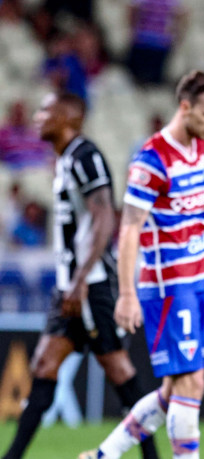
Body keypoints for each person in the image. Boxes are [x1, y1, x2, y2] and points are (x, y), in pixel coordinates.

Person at [2, 93, 158, 459]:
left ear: (69, 117)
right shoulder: (65, 159)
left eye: (46, 111)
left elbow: (105, 215)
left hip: (90, 286)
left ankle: (153, 457)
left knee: (119, 372)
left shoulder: (85, 155)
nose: (39, 117)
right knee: (43, 365)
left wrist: (81, 278)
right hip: (70, 288)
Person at [79, 71, 204, 459]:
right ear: (185, 107)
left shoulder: (200, 146)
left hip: (195, 282)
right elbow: (128, 230)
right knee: (190, 384)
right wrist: (127, 294)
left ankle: (103, 455)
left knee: (175, 390)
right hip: (167, 285)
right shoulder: (151, 159)